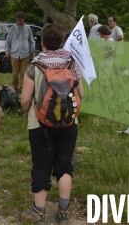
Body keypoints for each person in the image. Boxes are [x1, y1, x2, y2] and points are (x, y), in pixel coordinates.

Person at [19, 24, 83, 223]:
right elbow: (81, 95)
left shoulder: (34, 65)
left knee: (41, 165)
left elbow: (25, 99)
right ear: (61, 42)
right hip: (69, 123)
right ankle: (63, 212)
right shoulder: (73, 64)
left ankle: (39, 214)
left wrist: (27, 110)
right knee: (64, 165)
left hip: (39, 124)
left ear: (43, 43)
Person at [5, 12, 34, 93]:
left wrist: (32, 49)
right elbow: (8, 41)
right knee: (15, 74)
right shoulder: (12, 29)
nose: (19, 22)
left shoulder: (28, 29)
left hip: (25, 54)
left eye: (20, 20)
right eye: (18, 20)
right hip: (14, 54)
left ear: (23, 19)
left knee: (23, 74)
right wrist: (7, 51)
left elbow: (31, 40)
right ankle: (15, 87)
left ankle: (20, 89)